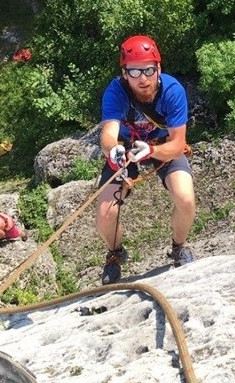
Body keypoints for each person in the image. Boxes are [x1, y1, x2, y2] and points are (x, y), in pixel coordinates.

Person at [96, 35, 196, 284]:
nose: (143, 78)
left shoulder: (172, 92)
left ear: (158, 68)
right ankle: (116, 253)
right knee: (105, 215)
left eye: (149, 70)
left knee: (185, 198)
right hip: (127, 148)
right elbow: (108, 134)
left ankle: (179, 247)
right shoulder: (116, 92)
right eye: (134, 71)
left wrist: (151, 152)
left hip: (162, 145)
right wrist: (113, 151)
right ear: (124, 73)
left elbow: (178, 144)